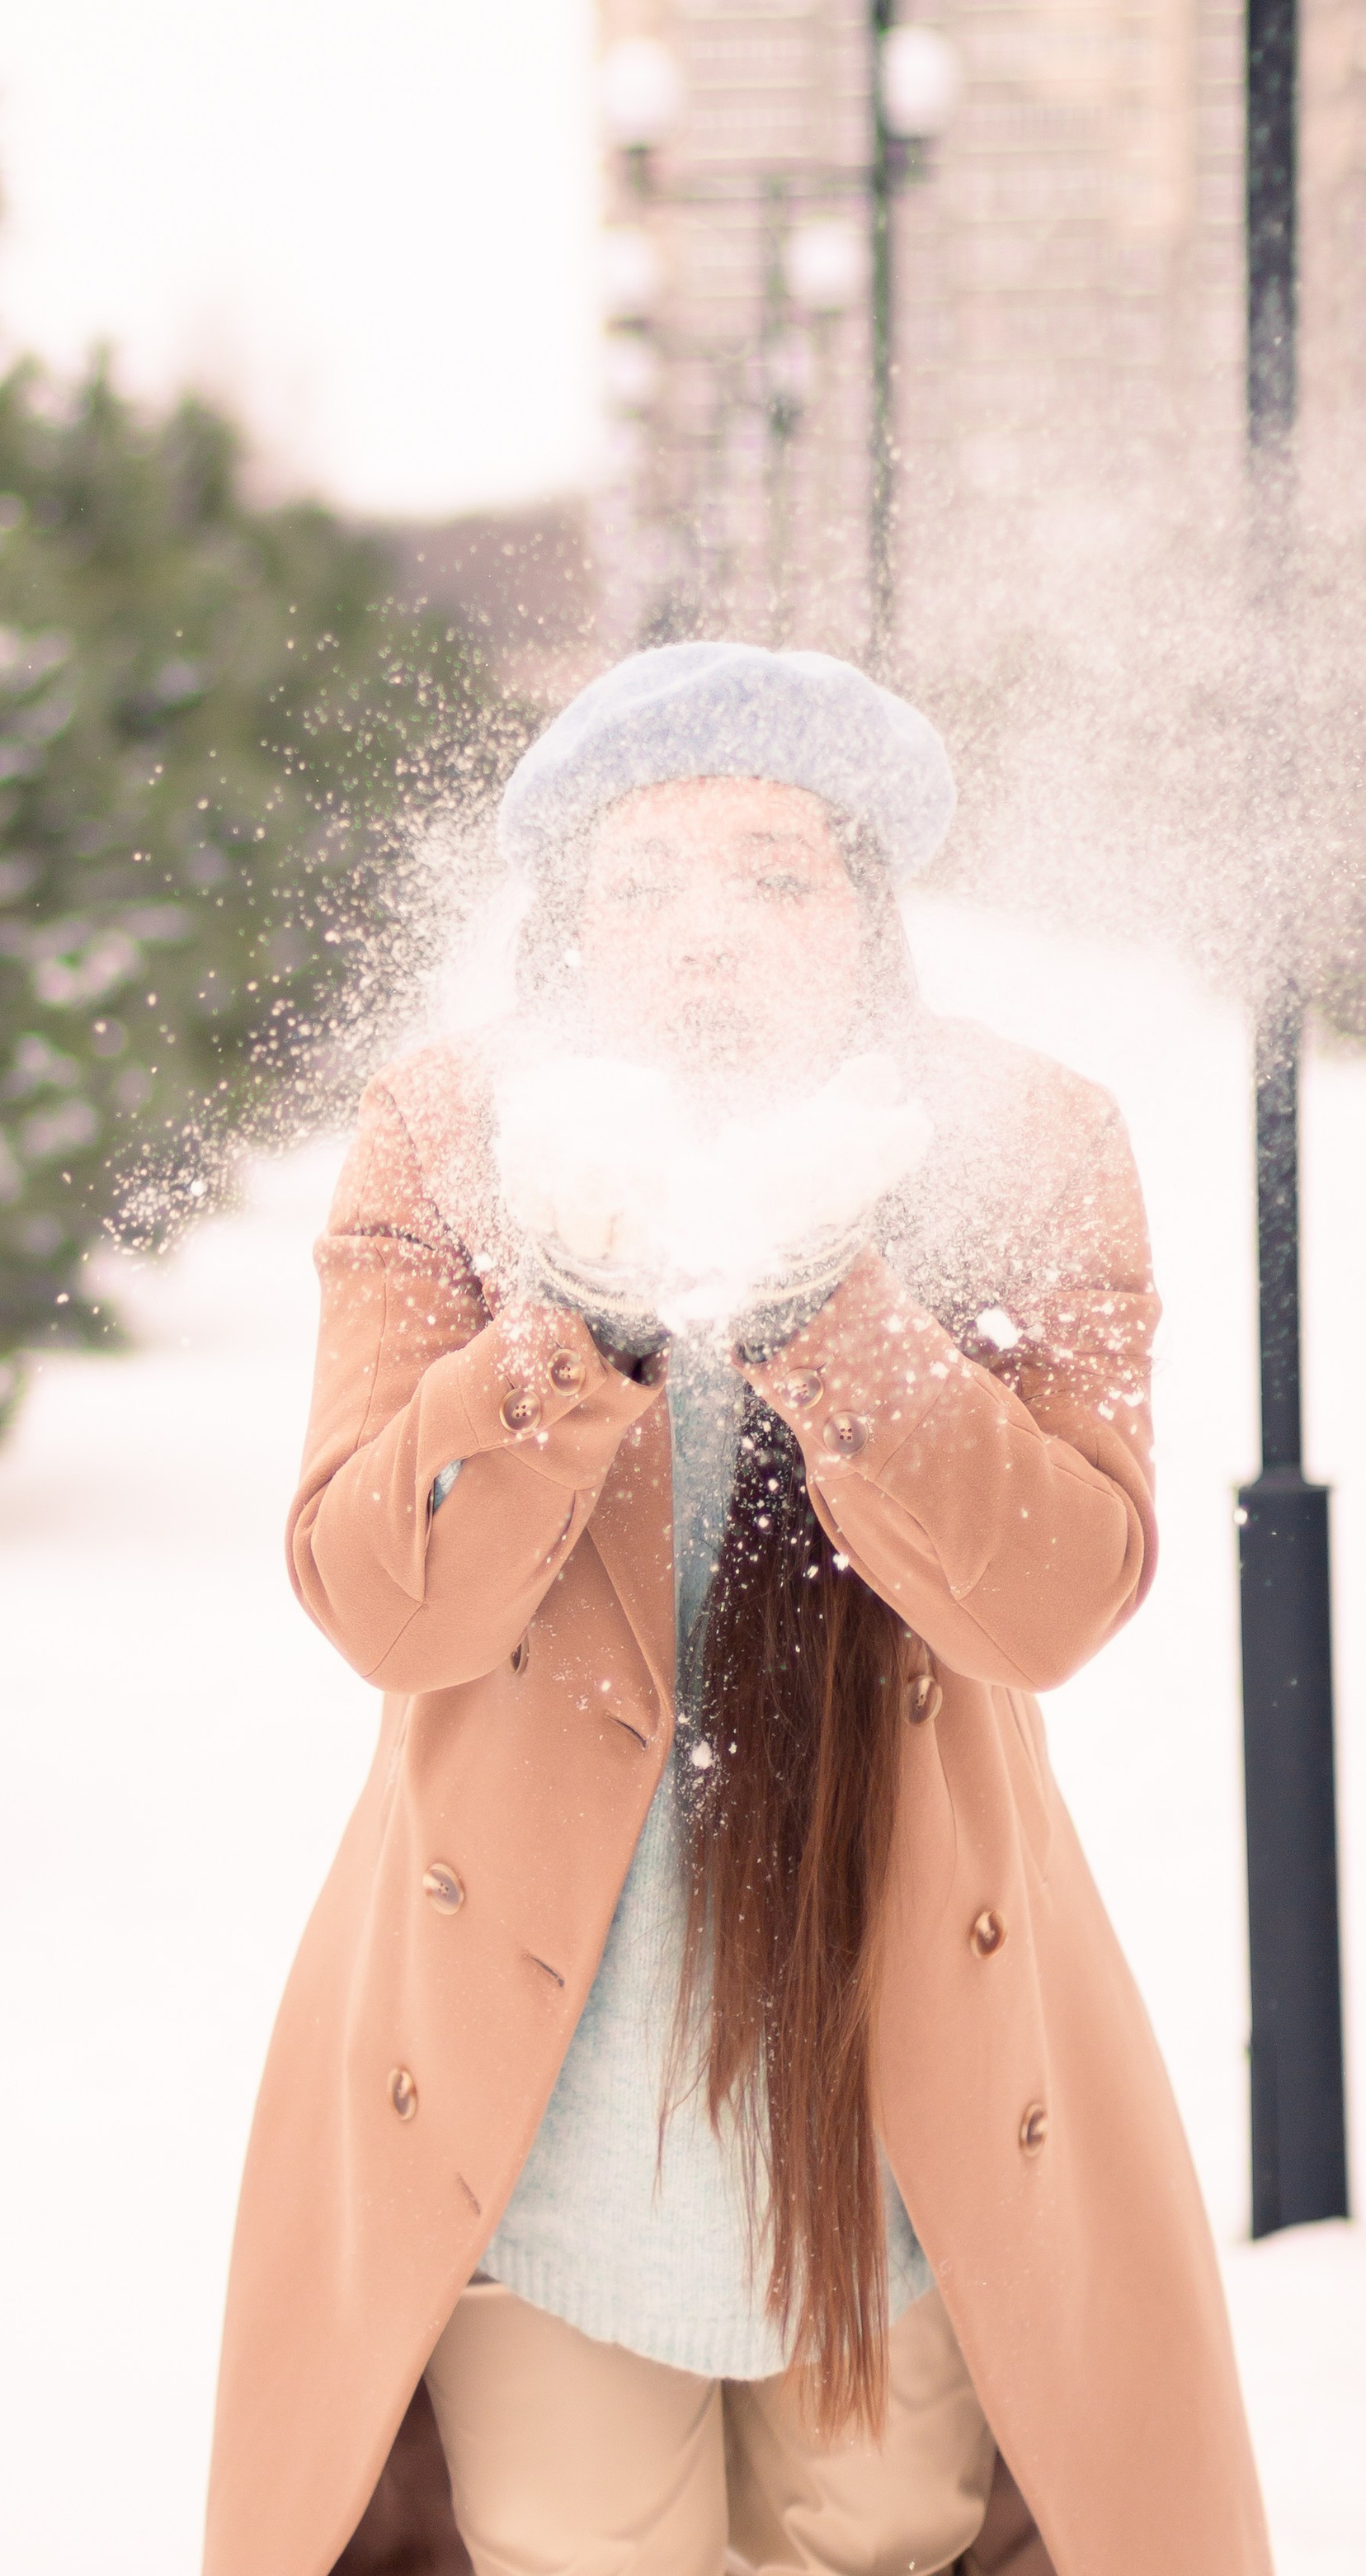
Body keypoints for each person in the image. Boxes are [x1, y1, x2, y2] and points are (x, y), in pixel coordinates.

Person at [203, 644, 1269, 2576]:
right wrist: (565, 1332)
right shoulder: (447, 1139)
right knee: (572, 2541)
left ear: (866, 914)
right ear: (569, 926)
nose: (708, 930)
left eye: (775, 873)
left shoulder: (1024, 1142)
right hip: (533, 2104)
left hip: (899, 2089)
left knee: (879, 2532)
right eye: (644, 879)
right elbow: (378, 1601)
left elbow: (1052, 1599)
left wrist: (828, 1321)